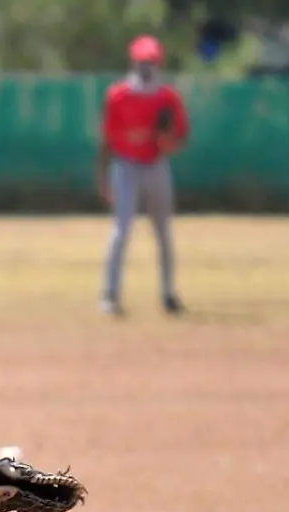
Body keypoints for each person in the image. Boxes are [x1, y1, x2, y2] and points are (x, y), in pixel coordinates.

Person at [96, 34, 190, 317]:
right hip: (125, 166)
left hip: (155, 165)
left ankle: (168, 293)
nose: (146, 67)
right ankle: (109, 294)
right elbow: (107, 140)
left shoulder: (167, 97)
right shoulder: (118, 95)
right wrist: (102, 177)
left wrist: (166, 138)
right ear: (133, 62)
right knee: (122, 229)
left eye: (150, 62)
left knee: (162, 232)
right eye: (142, 62)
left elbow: (179, 139)